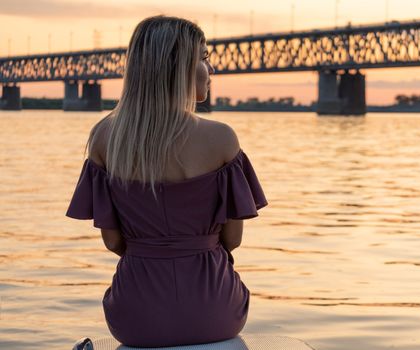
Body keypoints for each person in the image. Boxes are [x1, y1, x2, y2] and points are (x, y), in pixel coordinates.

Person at [65, 15, 268, 348]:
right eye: (204, 57)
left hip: (135, 316)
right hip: (215, 311)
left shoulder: (104, 138)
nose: (211, 69)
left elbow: (113, 243)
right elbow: (232, 240)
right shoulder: (221, 139)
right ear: (178, 65)